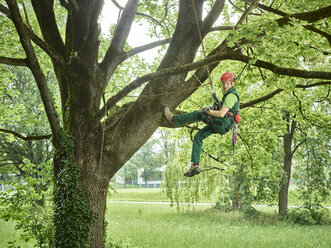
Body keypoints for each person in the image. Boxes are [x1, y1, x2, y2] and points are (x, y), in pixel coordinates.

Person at [163, 72, 240, 177]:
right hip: (223, 125)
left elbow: (221, 114)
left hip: (221, 123)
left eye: (227, 83)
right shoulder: (228, 94)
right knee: (198, 136)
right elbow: (223, 110)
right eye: (223, 83)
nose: (225, 85)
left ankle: (173, 119)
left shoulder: (231, 96)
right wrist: (212, 108)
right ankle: (195, 166)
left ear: (232, 83)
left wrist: (207, 111)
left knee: (197, 114)